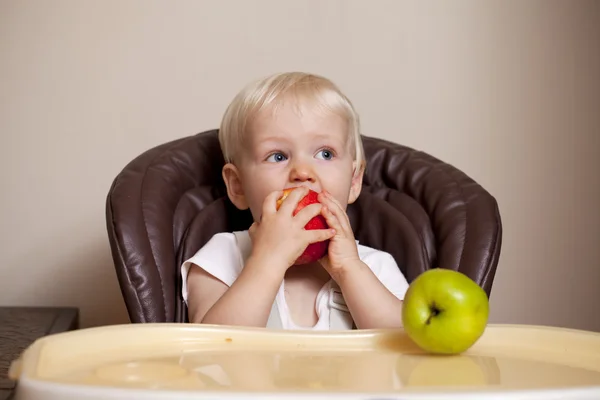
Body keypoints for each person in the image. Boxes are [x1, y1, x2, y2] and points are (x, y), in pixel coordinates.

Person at [181, 72, 409, 330]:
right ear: (238, 185)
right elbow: (210, 349)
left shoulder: (375, 267)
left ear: (354, 180)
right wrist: (267, 262)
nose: (302, 172)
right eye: (277, 156)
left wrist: (349, 270)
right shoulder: (221, 258)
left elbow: (402, 348)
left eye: (325, 153)